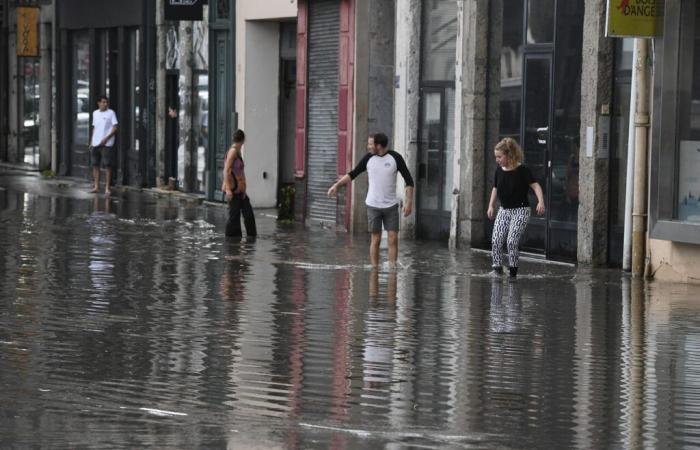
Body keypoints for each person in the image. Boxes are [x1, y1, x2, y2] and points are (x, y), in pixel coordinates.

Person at [327, 132, 414, 267]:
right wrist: (336, 185)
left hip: (391, 206)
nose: (368, 146)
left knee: (393, 239)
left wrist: (409, 202)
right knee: (376, 239)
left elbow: (409, 181)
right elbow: (353, 173)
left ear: (378, 145)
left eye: (370, 144)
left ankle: (392, 268)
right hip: (373, 205)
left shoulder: (396, 158)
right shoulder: (368, 158)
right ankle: (374, 268)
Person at [487, 137, 545, 278]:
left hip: (521, 210)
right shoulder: (499, 171)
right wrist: (491, 205)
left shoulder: (522, 170)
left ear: (509, 155)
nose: (497, 160)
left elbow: (535, 185)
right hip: (504, 209)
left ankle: (513, 273)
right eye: (496, 157)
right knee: (496, 240)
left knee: (511, 241)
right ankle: (497, 270)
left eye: (499, 157)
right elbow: (495, 188)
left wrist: (540, 201)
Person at [222, 129, 257, 238]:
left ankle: (250, 236)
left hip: (240, 190)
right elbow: (226, 170)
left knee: (248, 213)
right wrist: (228, 190)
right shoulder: (233, 152)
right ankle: (231, 240)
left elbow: (240, 171)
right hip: (233, 189)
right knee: (234, 216)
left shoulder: (238, 151)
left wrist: (244, 188)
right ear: (243, 140)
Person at [88, 95, 119, 194]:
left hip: (106, 144)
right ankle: (96, 186)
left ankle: (107, 188)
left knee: (107, 165)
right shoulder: (95, 113)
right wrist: (91, 141)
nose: (105, 104)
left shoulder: (111, 113)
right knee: (95, 165)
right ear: (99, 103)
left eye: (106, 102)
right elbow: (94, 127)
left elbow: (115, 128)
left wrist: (106, 138)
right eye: (103, 102)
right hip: (95, 143)